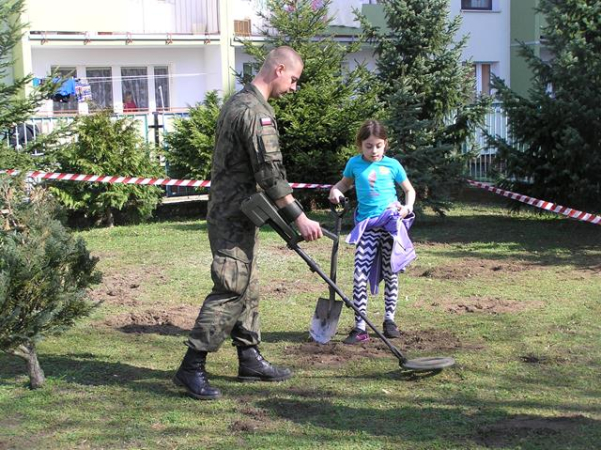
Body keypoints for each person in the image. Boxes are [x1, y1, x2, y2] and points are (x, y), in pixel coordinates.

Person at [173, 46, 323, 400]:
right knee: (231, 286)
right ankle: (191, 367)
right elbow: (270, 174)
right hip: (233, 214)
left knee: (247, 283)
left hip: (237, 210)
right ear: (279, 69)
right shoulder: (256, 113)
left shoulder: (236, 101)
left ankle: (249, 357)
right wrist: (299, 217)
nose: (294, 88)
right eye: (294, 80)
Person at [328, 119, 416, 344]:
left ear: (385, 144)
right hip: (367, 227)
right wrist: (335, 191)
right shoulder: (354, 164)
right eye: (368, 146)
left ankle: (389, 320)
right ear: (360, 145)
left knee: (391, 272)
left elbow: (409, 190)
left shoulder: (393, 165)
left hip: (390, 226)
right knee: (359, 275)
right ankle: (360, 327)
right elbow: (343, 184)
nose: (374, 150)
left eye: (378, 145)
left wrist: (407, 208)